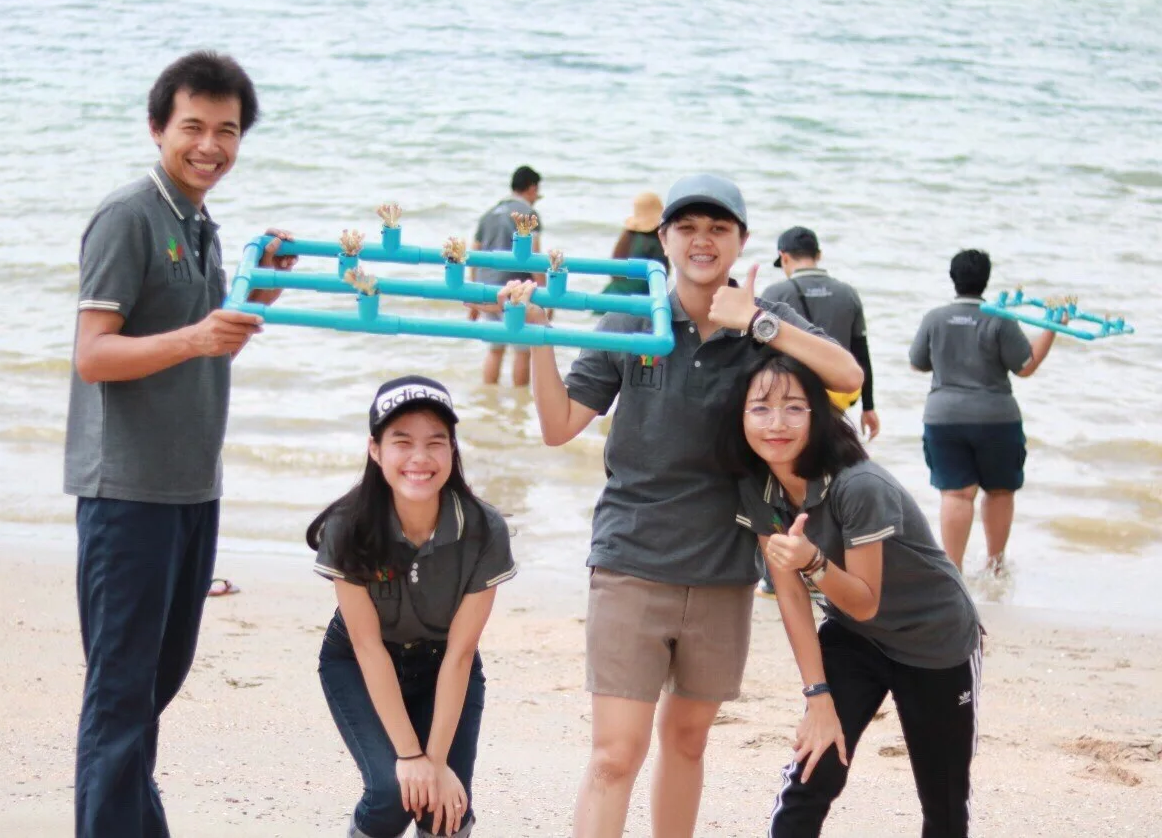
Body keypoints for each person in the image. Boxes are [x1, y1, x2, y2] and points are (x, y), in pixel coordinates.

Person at [485, 173, 863, 837]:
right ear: (663, 239)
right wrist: (539, 335)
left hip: (724, 569)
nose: (702, 240)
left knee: (687, 740)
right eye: (686, 227)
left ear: (742, 240)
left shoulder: (761, 321)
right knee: (615, 753)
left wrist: (760, 321)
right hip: (631, 560)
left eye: (718, 228)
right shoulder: (632, 319)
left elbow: (847, 376)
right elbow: (558, 425)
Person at [64, 51, 294, 837]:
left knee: (151, 689)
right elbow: (94, 354)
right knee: (121, 699)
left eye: (226, 131)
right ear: (157, 127)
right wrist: (198, 336)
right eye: (193, 126)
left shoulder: (200, 224)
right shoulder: (128, 215)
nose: (209, 146)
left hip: (193, 487)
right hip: (127, 492)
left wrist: (258, 294)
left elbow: (203, 342)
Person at [727, 353, 982, 838]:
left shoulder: (859, 485)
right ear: (738, 416)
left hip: (934, 639)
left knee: (945, 803)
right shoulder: (756, 484)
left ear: (818, 414)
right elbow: (790, 596)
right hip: (854, 637)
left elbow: (865, 599)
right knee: (810, 776)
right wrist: (817, 695)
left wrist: (812, 560)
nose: (776, 424)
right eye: (760, 408)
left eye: (794, 408)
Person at [310, 375, 515, 838]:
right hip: (358, 662)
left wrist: (436, 762)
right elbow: (366, 647)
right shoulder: (348, 526)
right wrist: (410, 755)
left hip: (445, 662)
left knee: (444, 809)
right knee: (392, 794)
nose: (419, 458)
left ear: (452, 450)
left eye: (435, 442)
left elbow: (461, 653)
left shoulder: (485, 529)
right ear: (375, 450)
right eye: (402, 442)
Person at [909, 249, 1062, 573]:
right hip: (996, 418)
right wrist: (1051, 327)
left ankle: (953, 570)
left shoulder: (934, 318)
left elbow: (917, 363)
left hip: (944, 417)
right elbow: (1025, 367)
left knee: (956, 494)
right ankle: (995, 565)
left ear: (953, 278)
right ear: (986, 279)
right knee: (1000, 491)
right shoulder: (1001, 318)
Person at [761, 226, 879, 441]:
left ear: (784, 257)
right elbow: (861, 354)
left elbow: (760, 355)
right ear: (819, 255)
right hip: (836, 400)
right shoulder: (848, 293)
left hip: (791, 401)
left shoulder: (775, 294)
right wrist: (868, 407)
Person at [469, 165, 545, 387]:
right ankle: (520, 402)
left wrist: (474, 292)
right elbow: (534, 256)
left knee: (495, 350)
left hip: (487, 288)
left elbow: (474, 253)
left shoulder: (489, 214)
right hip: (515, 290)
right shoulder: (528, 215)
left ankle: (489, 396)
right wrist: (544, 295)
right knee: (522, 350)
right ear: (532, 188)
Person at [598, 191, 669, 300]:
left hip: (608, 296)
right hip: (637, 301)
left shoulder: (627, 237)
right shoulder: (655, 242)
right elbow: (661, 275)